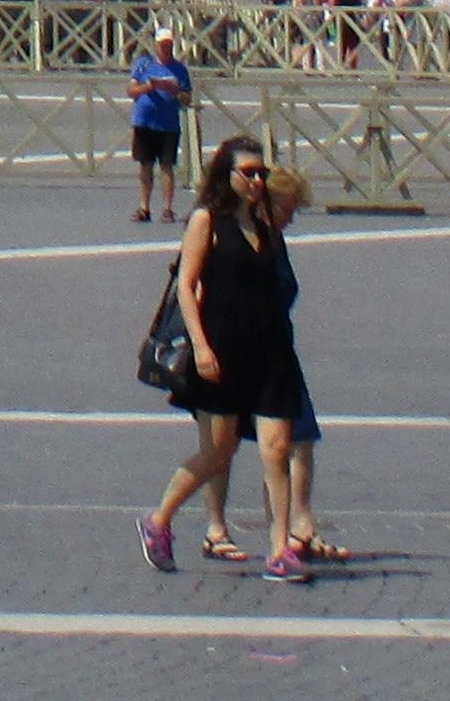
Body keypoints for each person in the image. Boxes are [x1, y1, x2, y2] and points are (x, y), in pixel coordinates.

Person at [138, 133, 308, 582]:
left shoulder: (266, 218)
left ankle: (279, 551)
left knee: (276, 448)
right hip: (221, 348)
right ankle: (159, 519)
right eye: (247, 172)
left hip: (270, 351)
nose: (256, 180)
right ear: (226, 174)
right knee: (218, 454)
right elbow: (186, 287)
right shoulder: (206, 220)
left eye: (261, 172)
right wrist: (200, 346)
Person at [128, 27, 194, 222]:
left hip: (168, 123)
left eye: (169, 45)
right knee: (145, 164)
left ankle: (167, 208)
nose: (166, 48)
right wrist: (150, 86)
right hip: (144, 120)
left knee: (167, 166)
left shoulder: (180, 69)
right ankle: (144, 207)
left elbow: (187, 99)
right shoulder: (144, 64)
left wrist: (175, 91)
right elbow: (131, 90)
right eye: (163, 45)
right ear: (156, 46)